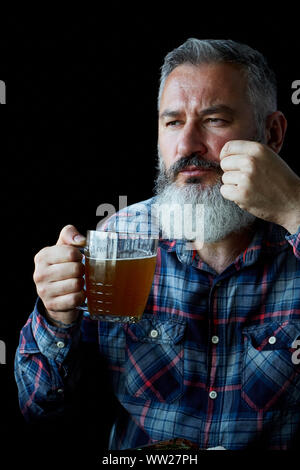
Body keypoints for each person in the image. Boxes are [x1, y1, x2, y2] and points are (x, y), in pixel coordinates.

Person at [15, 38, 300, 450]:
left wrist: (296, 208)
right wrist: (57, 318)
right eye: (172, 123)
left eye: (214, 119)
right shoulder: (116, 243)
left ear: (272, 134)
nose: (186, 147)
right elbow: (38, 409)